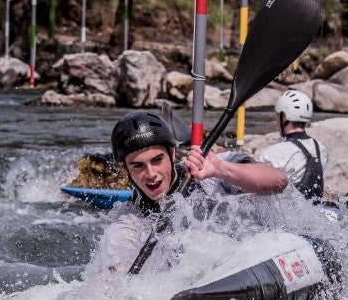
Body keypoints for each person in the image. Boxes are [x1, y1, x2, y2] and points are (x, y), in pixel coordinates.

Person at [92, 110, 288, 277]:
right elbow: (111, 276)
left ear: (172, 153)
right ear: (124, 168)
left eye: (157, 160)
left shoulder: (209, 173)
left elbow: (279, 181)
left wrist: (222, 169)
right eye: (138, 166)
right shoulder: (129, 222)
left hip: (256, 257)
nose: (151, 174)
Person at [257, 90, 328, 203]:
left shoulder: (273, 153)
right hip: (313, 213)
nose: (276, 121)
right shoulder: (320, 148)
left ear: (284, 117)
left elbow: (255, 186)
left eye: (277, 115)